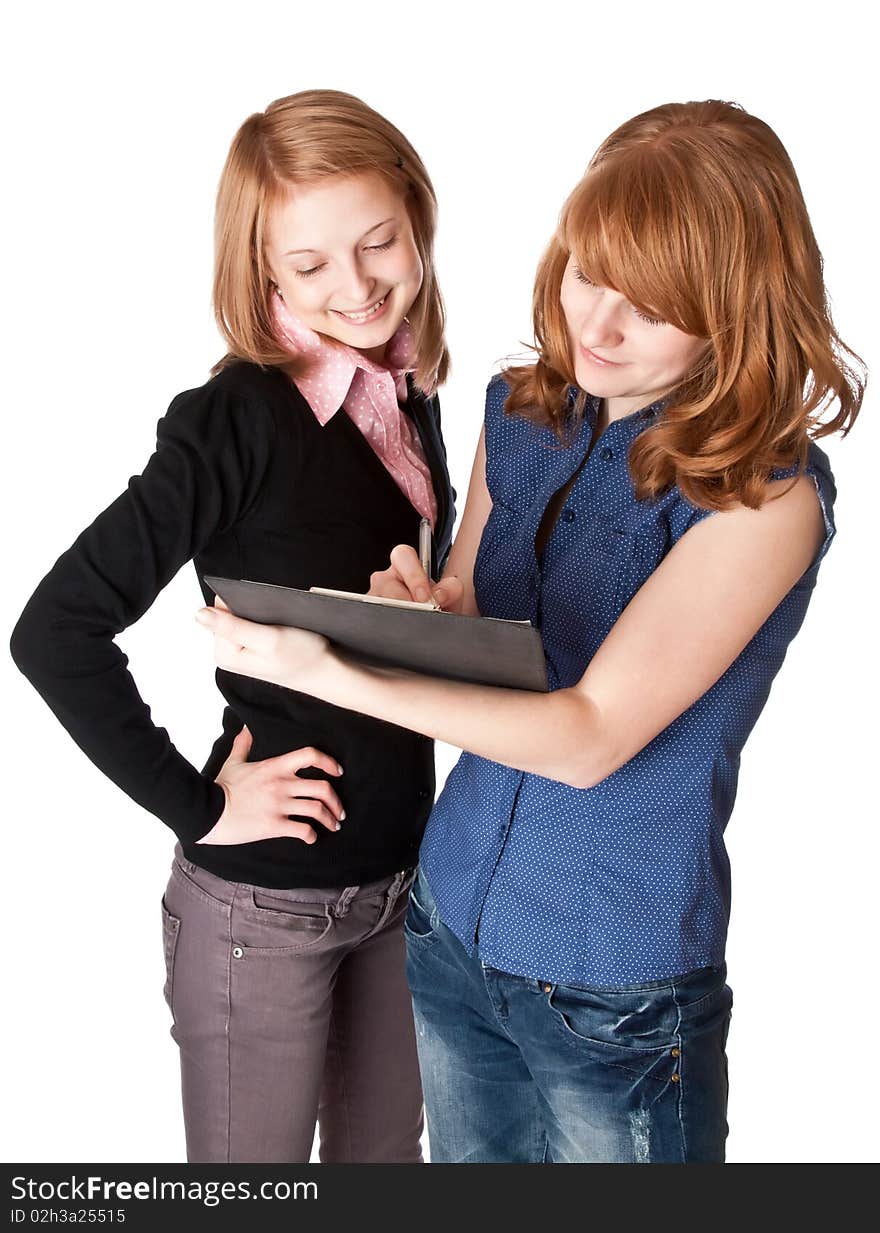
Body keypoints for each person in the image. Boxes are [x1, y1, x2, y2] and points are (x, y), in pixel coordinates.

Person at [195, 100, 865, 1164]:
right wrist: (425, 614)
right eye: (586, 275)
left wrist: (333, 668)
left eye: (650, 309)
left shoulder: (764, 502)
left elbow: (589, 734)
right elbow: (477, 614)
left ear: (736, 311)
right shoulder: (521, 410)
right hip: (448, 925)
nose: (594, 327)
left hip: (613, 983)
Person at [10, 89, 455, 1164]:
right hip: (265, 912)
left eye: (378, 242)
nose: (353, 287)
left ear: (417, 216)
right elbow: (55, 630)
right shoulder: (235, 420)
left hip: (404, 888)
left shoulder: (407, 395)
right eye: (308, 268)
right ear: (260, 273)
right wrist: (197, 804)